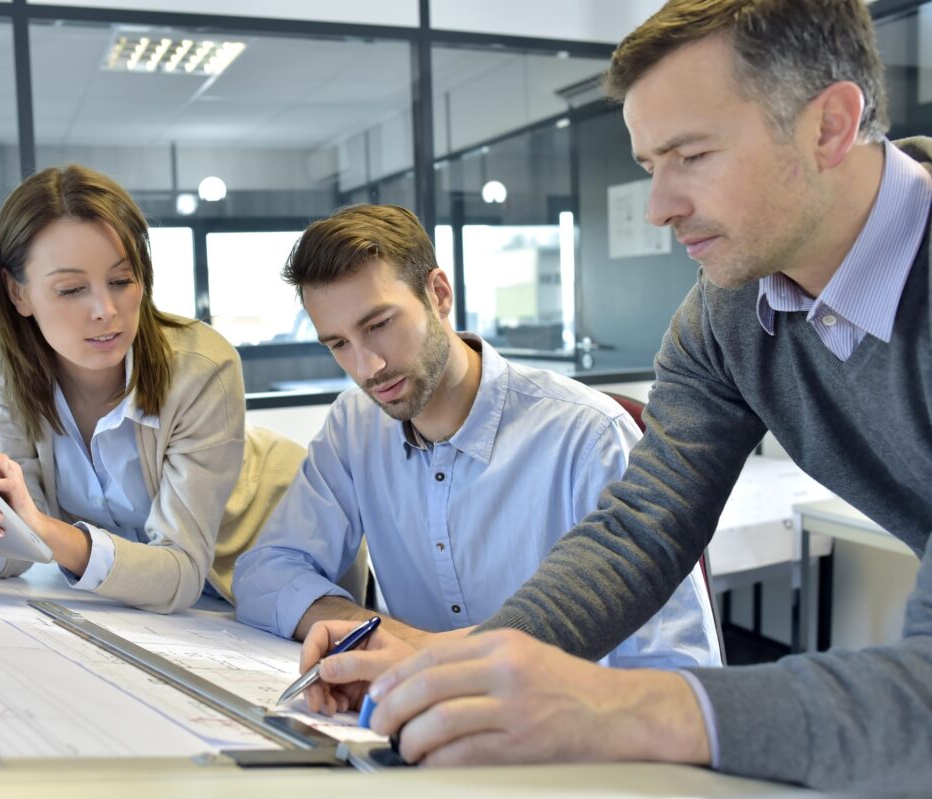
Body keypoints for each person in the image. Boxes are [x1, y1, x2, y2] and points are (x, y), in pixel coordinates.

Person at [312, 0, 932, 791]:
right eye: (650, 166)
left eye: (693, 155)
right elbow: (641, 525)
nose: (658, 207)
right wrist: (462, 666)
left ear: (830, 125)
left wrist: (619, 706)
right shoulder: (730, 310)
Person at [232, 204, 721, 714]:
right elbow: (265, 573)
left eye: (378, 325)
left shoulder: (588, 436)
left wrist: (428, 654)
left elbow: (677, 668)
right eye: (338, 344)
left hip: (570, 737)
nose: (367, 367)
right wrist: (386, 637)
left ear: (439, 295)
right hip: (421, 727)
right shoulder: (355, 427)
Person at [0, 164, 363, 613]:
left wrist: (38, 528)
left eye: (121, 280)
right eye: (72, 289)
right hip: (141, 593)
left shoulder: (202, 365)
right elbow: (15, 543)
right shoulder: (4, 355)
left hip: (263, 563)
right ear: (17, 292)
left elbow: (180, 574)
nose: (106, 310)